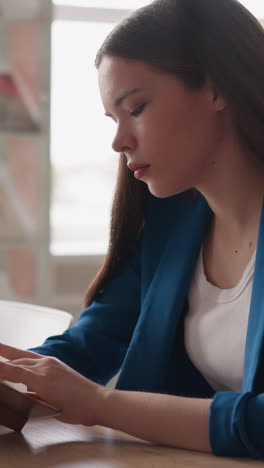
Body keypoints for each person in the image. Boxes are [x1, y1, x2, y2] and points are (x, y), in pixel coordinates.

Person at [0, 0, 264, 459]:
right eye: (113, 119)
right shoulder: (171, 224)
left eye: (136, 108)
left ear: (218, 88)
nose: (118, 141)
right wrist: (12, 376)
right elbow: (92, 343)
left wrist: (101, 404)